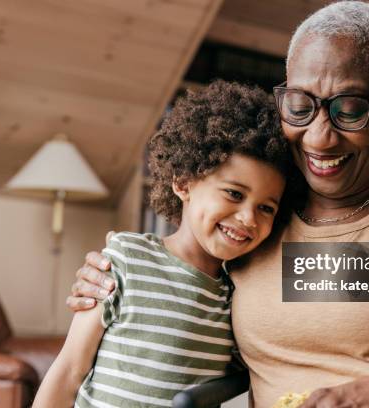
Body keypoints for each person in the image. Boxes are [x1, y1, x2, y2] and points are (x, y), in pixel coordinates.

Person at [67, 2, 369, 407]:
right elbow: (182, 282)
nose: (319, 136)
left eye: (350, 108)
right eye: (300, 105)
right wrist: (114, 278)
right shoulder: (262, 215)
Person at [33, 80, 291, 407]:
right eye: (234, 194)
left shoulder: (236, 296)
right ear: (183, 183)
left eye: (266, 208)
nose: (248, 218)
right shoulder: (125, 258)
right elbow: (70, 369)